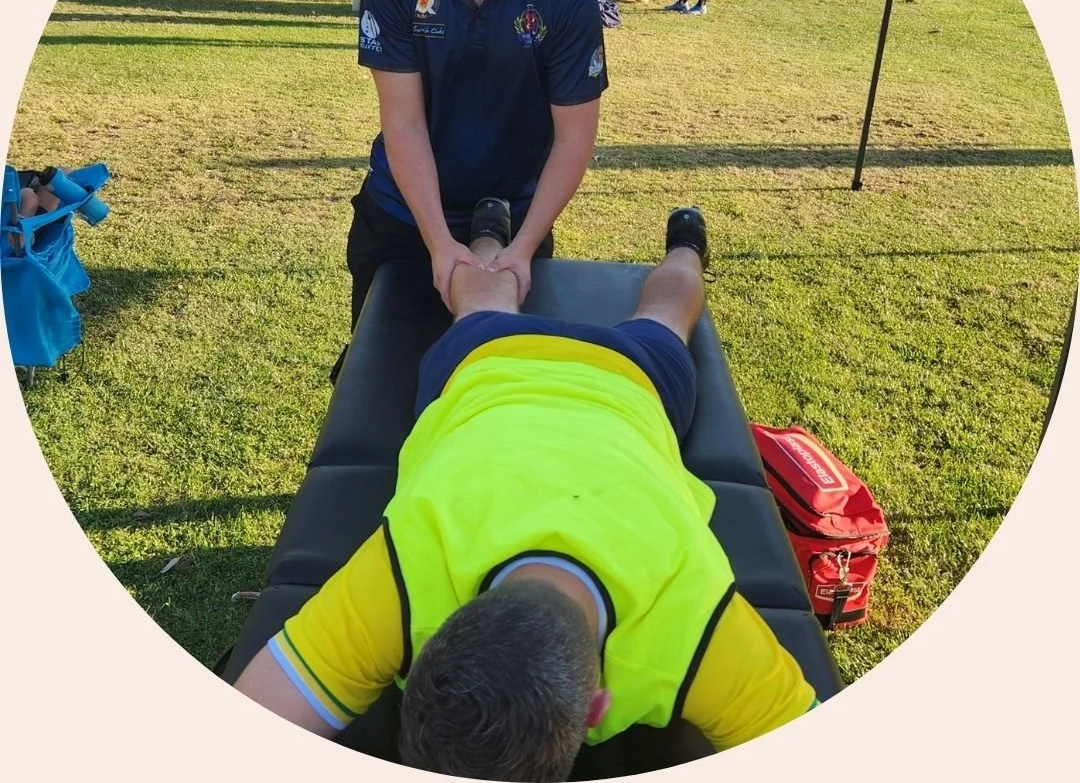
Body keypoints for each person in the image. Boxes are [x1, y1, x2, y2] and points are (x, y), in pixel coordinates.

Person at [234, 206, 819, 779]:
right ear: (597, 712)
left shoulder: (695, 625)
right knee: (655, 312)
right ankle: (681, 243)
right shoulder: (406, 577)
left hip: (567, 378)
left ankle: (508, 234)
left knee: (510, 303)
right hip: (543, 375)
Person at [339, 0, 606, 346]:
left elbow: (574, 137)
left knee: (503, 387)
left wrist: (525, 247)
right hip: (403, 217)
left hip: (518, 225)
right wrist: (440, 244)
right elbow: (404, 121)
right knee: (383, 398)